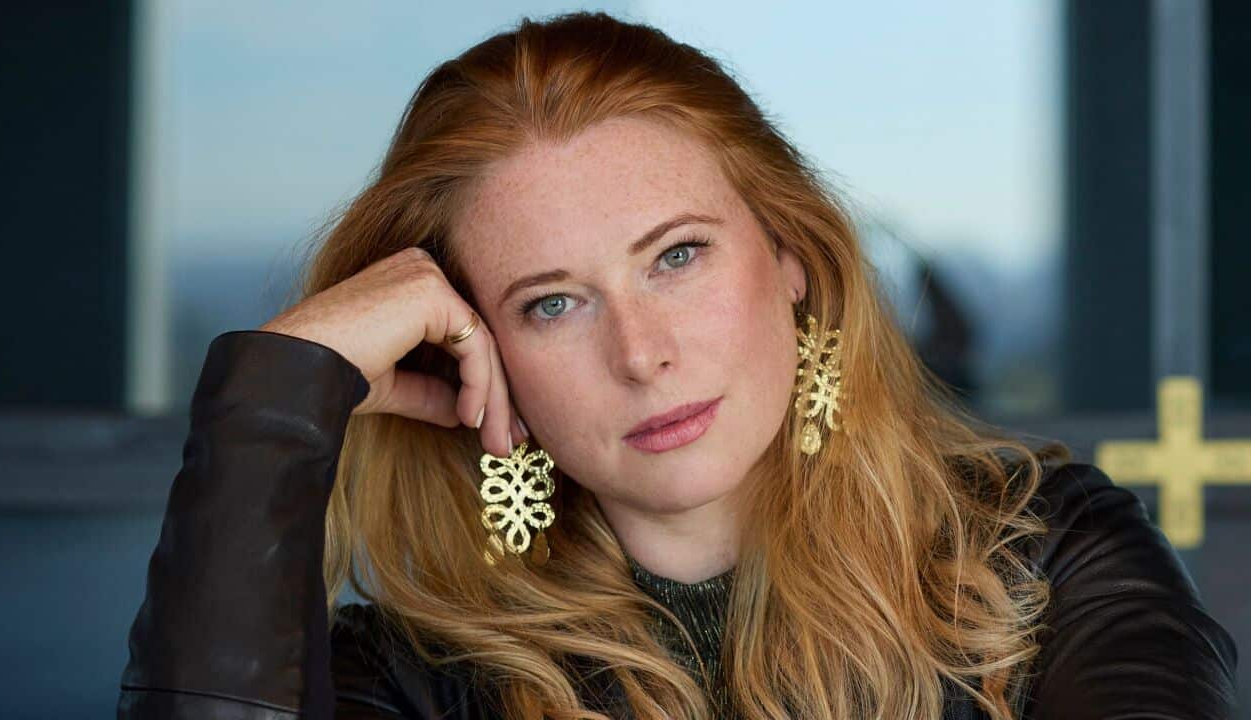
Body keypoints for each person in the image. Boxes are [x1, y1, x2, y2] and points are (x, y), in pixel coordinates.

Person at [116, 10, 1237, 720]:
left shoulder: (1042, 555)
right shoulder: (413, 677)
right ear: (475, 353)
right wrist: (277, 391)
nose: (641, 353)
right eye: (552, 304)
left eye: (677, 257)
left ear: (790, 256)